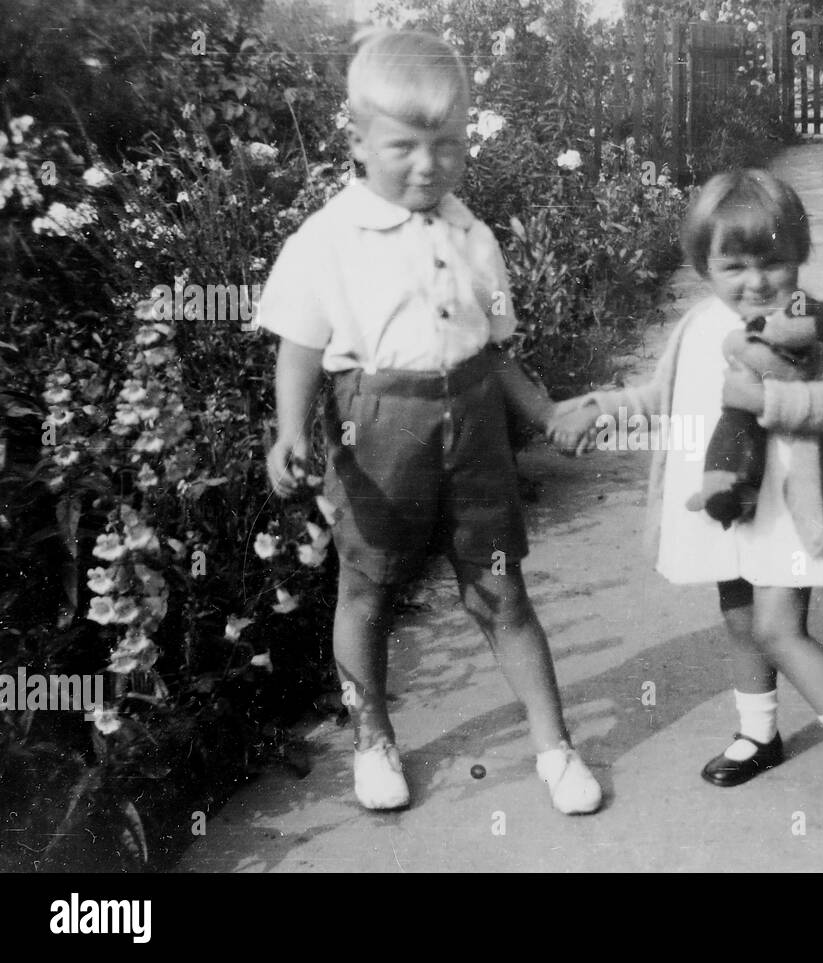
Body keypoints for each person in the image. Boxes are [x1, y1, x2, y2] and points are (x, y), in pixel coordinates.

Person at [258, 28, 601, 815]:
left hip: (475, 430)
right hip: (376, 434)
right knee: (367, 591)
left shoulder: (473, 236)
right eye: (405, 145)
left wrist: (545, 413)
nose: (428, 164)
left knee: (502, 591)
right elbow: (299, 348)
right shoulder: (327, 240)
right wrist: (288, 430)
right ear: (357, 140)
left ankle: (554, 745)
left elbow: (497, 350)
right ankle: (372, 735)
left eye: (447, 144)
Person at [551, 169, 823, 817]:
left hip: (787, 505)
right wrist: (601, 408)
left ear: (799, 254)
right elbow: (659, 397)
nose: (756, 281)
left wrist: (768, 398)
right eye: (734, 265)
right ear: (704, 266)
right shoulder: (697, 325)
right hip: (725, 503)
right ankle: (758, 732)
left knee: (779, 627)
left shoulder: (822, 328)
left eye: (773, 261)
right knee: (739, 617)